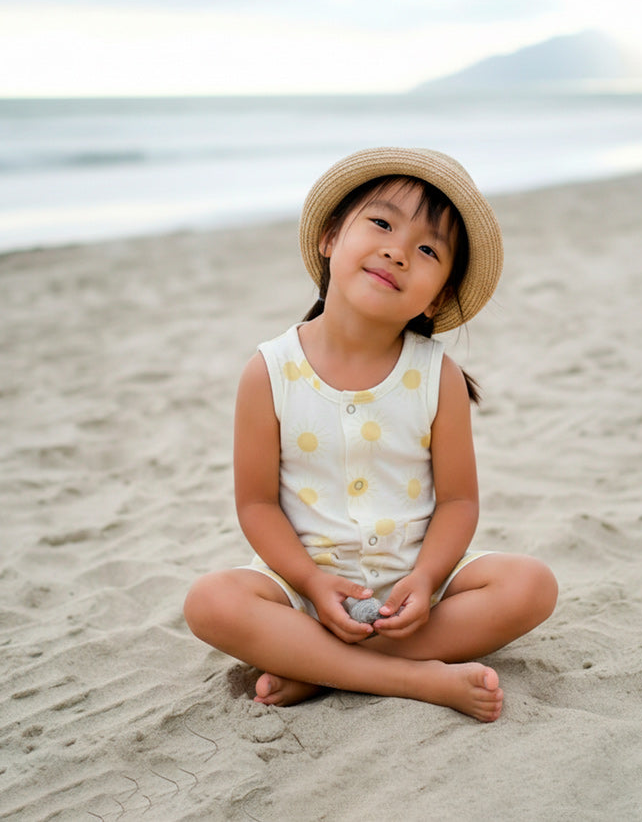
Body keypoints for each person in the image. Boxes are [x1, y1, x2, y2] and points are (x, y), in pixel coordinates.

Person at [184, 147, 557, 722]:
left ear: (436, 296)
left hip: (416, 587)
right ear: (331, 237)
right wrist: (309, 579)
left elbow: (458, 500)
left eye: (428, 250)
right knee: (210, 601)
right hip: (306, 591)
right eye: (381, 223)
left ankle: (318, 665)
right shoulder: (270, 370)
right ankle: (406, 676)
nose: (397, 251)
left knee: (531, 584)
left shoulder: (438, 376)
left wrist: (428, 576)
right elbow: (256, 504)